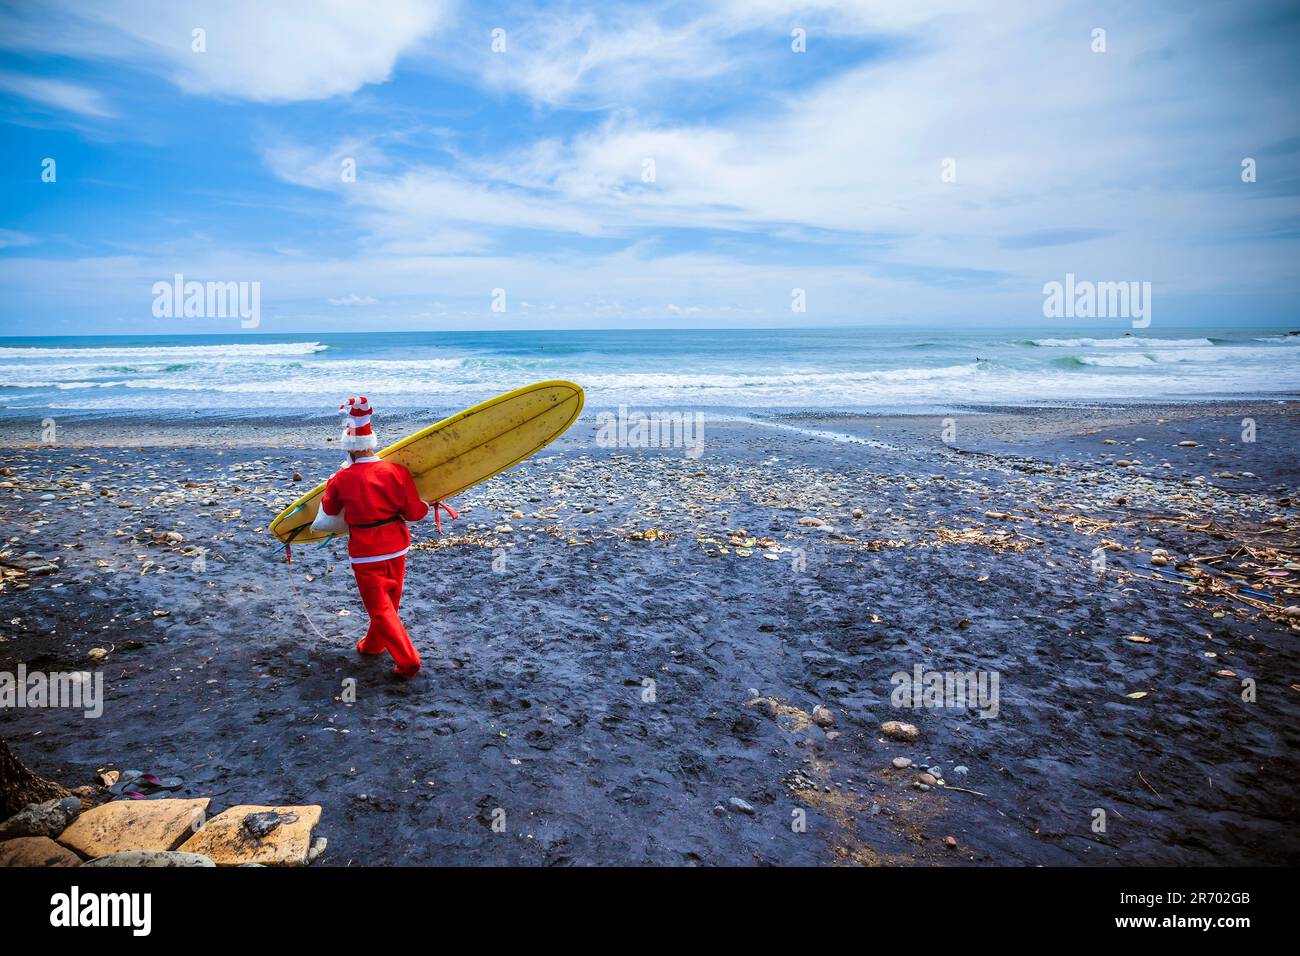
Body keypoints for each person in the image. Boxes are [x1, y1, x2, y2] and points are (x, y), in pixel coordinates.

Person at [319, 397, 429, 678]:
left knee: (380, 609)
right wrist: (429, 504)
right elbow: (414, 513)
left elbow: (330, 510)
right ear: (372, 443)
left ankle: (408, 661)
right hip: (397, 545)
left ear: (349, 448)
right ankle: (372, 646)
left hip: (367, 550)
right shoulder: (397, 471)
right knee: (390, 602)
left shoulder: (341, 479)